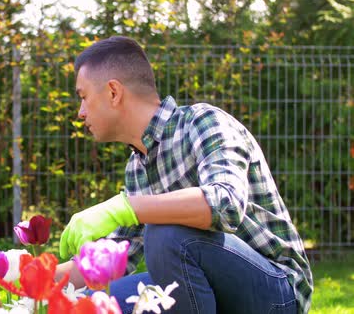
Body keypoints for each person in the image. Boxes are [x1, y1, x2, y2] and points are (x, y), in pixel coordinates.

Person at [55, 36, 313, 314]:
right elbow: (116, 256)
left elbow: (226, 205)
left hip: (275, 293)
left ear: (114, 92)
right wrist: (22, 273)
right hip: (205, 284)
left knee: (165, 231)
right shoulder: (137, 166)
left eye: (83, 97)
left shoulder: (204, 122)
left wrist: (126, 208)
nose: (80, 113)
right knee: (91, 304)